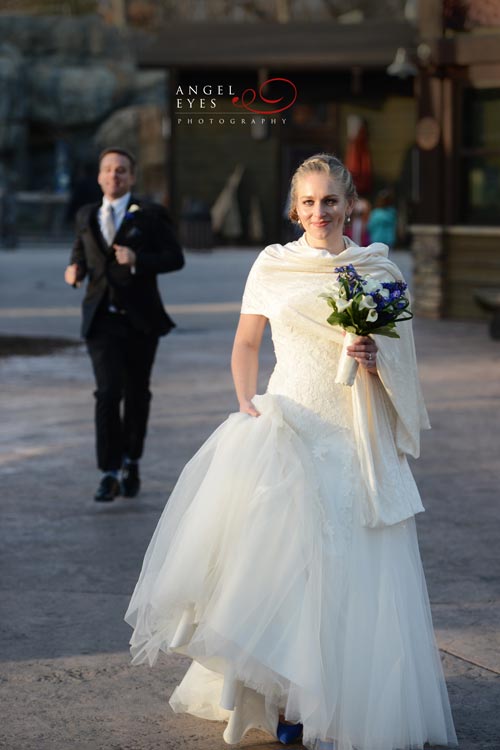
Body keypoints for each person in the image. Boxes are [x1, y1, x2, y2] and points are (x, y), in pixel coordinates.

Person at [125, 154, 458, 750]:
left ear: (350, 204)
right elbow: (247, 342)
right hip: (290, 426)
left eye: (330, 200)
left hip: (354, 435)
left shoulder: (377, 269)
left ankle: (342, 700)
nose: (319, 212)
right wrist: (247, 403)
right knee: (280, 568)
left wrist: (374, 359)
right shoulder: (272, 265)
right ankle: (278, 702)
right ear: (293, 208)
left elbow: (404, 359)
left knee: (352, 566)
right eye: (308, 202)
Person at [64, 147, 184, 503]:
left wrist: (138, 260)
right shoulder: (86, 214)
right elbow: (81, 252)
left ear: (131, 177)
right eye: (108, 170)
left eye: (121, 171)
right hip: (100, 320)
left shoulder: (150, 214)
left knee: (136, 394)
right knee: (107, 393)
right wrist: (75, 270)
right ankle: (108, 472)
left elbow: (175, 258)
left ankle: (132, 459)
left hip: (140, 320)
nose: (114, 176)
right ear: (99, 176)